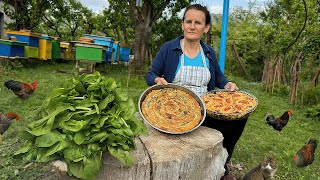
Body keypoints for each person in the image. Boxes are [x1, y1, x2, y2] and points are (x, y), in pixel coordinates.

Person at [145, 3, 247, 180]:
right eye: (188, 21)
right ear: (182, 24)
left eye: (198, 23)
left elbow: (219, 78)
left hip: (203, 110)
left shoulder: (208, 53)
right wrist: (157, 80)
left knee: (240, 117)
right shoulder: (169, 49)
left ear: (206, 28)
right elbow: (151, 74)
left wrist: (228, 84)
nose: (192, 26)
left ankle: (222, 164)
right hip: (174, 110)